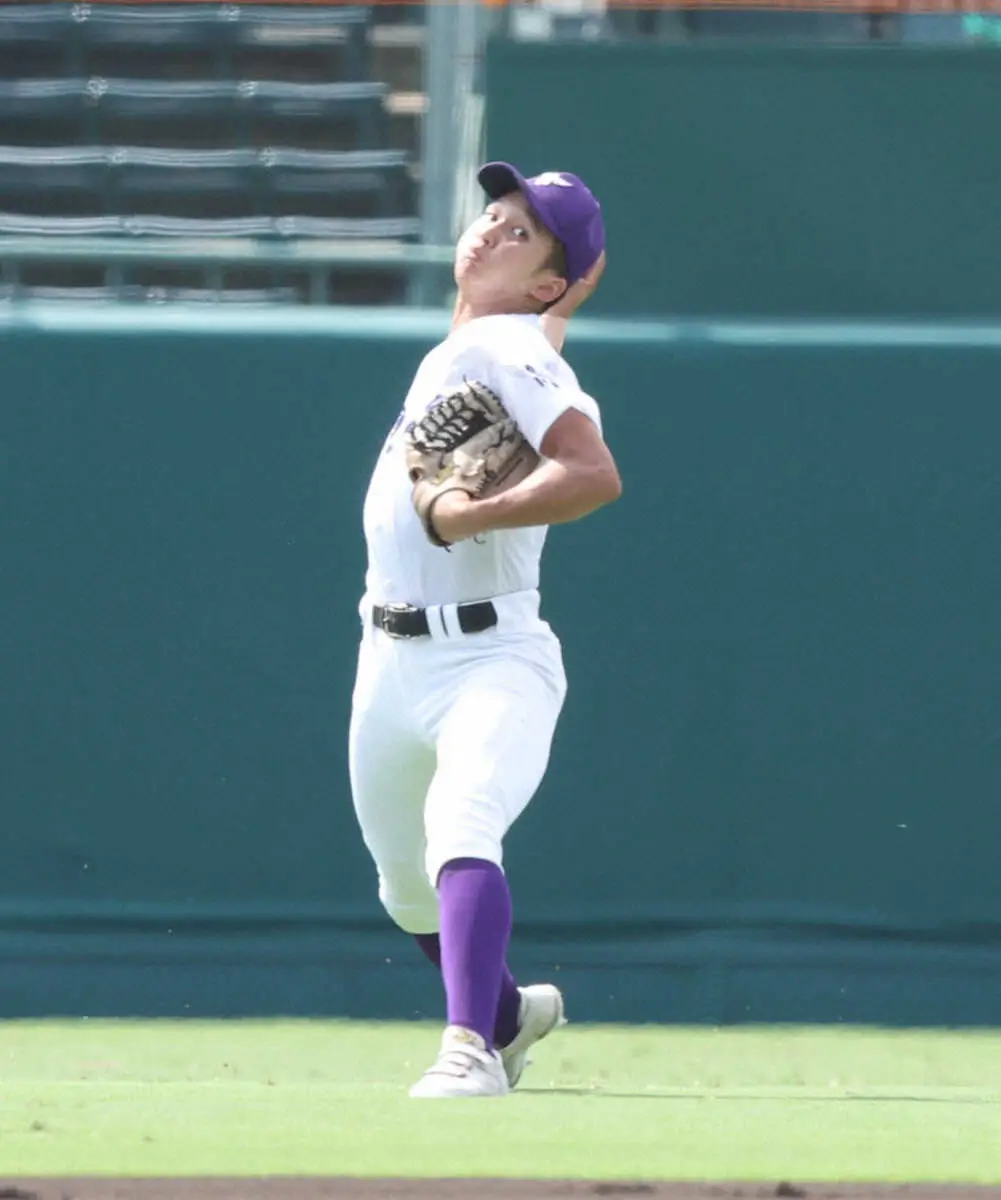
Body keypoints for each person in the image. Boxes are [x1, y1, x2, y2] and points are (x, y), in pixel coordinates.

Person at [348, 161, 621, 1099]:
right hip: (389, 658)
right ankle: (507, 1015)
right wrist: (560, 306)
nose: (492, 228)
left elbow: (592, 473)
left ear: (543, 279)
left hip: (488, 657)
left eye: (521, 232)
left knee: (461, 825)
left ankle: (469, 1050)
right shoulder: (488, 342)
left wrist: (470, 514)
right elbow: (530, 343)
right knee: (403, 890)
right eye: (495, 212)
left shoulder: (505, 350)